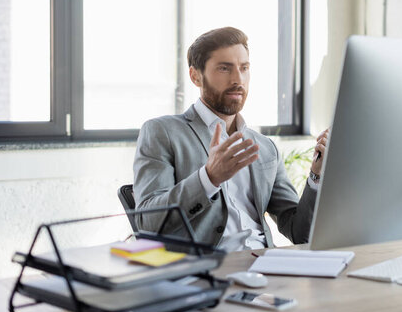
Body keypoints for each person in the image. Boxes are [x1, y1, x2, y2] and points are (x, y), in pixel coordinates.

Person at [133, 26, 328, 251]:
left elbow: (300, 233)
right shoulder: (162, 132)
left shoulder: (265, 148)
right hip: (207, 271)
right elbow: (148, 224)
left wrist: (316, 174)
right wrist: (208, 178)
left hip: (266, 265)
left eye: (244, 68)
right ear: (195, 76)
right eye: (224, 68)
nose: (238, 79)